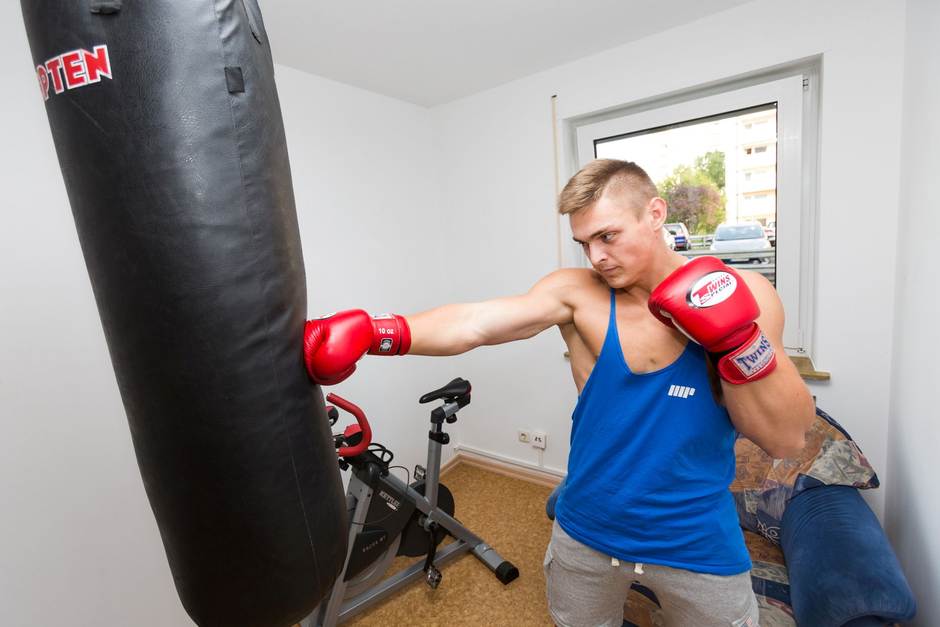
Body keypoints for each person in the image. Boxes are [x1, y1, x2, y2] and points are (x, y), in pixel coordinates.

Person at [302, 159, 816, 627]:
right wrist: (377, 331)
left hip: (695, 542)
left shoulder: (743, 293)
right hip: (586, 530)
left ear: (655, 213)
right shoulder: (578, 292)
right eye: (585, 243)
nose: (597, 257)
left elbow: (786, 438)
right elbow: (477, 323)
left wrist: (735, 340)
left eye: (608, 236)